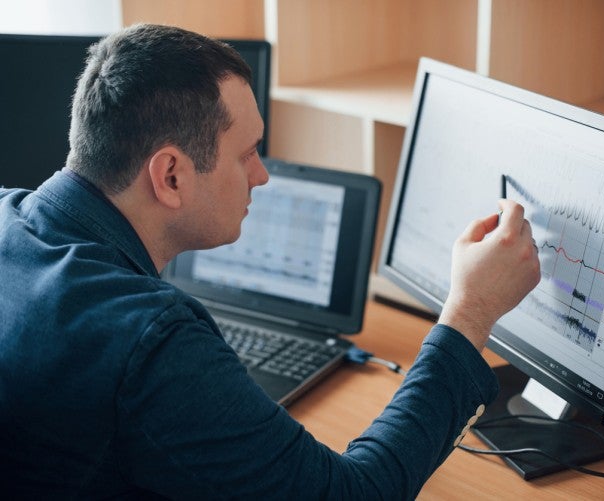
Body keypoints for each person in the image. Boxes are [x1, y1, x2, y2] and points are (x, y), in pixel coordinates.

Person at [0, 24, 540, 499]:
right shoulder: (150, 338)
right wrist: (470, 312)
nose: (262, 175)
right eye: (246, 153)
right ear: (170, 176)